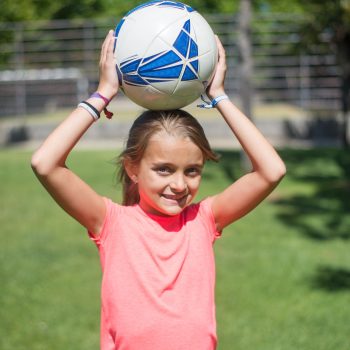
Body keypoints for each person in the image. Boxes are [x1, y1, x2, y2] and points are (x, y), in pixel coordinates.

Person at [31, 30, 286, 350]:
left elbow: (272, 170)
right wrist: (102, 94)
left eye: (192, 171)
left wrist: (219, 97)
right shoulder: (110, 223)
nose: (179, 185)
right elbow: (45, 163)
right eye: (163, 169)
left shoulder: (204, 220)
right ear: (132, 168)